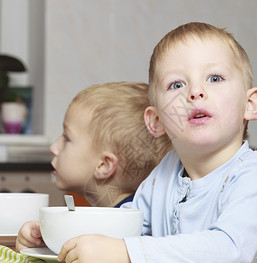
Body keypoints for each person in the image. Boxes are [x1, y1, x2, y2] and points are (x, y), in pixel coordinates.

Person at [33, 22, 257, 263]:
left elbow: (229, 249)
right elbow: (127, 225)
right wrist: (54, 237)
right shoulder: (166, 171)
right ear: (156, 122)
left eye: (215, 78)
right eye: (176, 84)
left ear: (250, 104)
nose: (195, 92)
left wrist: (126, 255)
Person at [16, 81, 172, 251]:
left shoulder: (128, 233)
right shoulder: (106, 223)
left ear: (104, 165)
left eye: (67, 138)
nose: (53, 148)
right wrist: (43, 240)